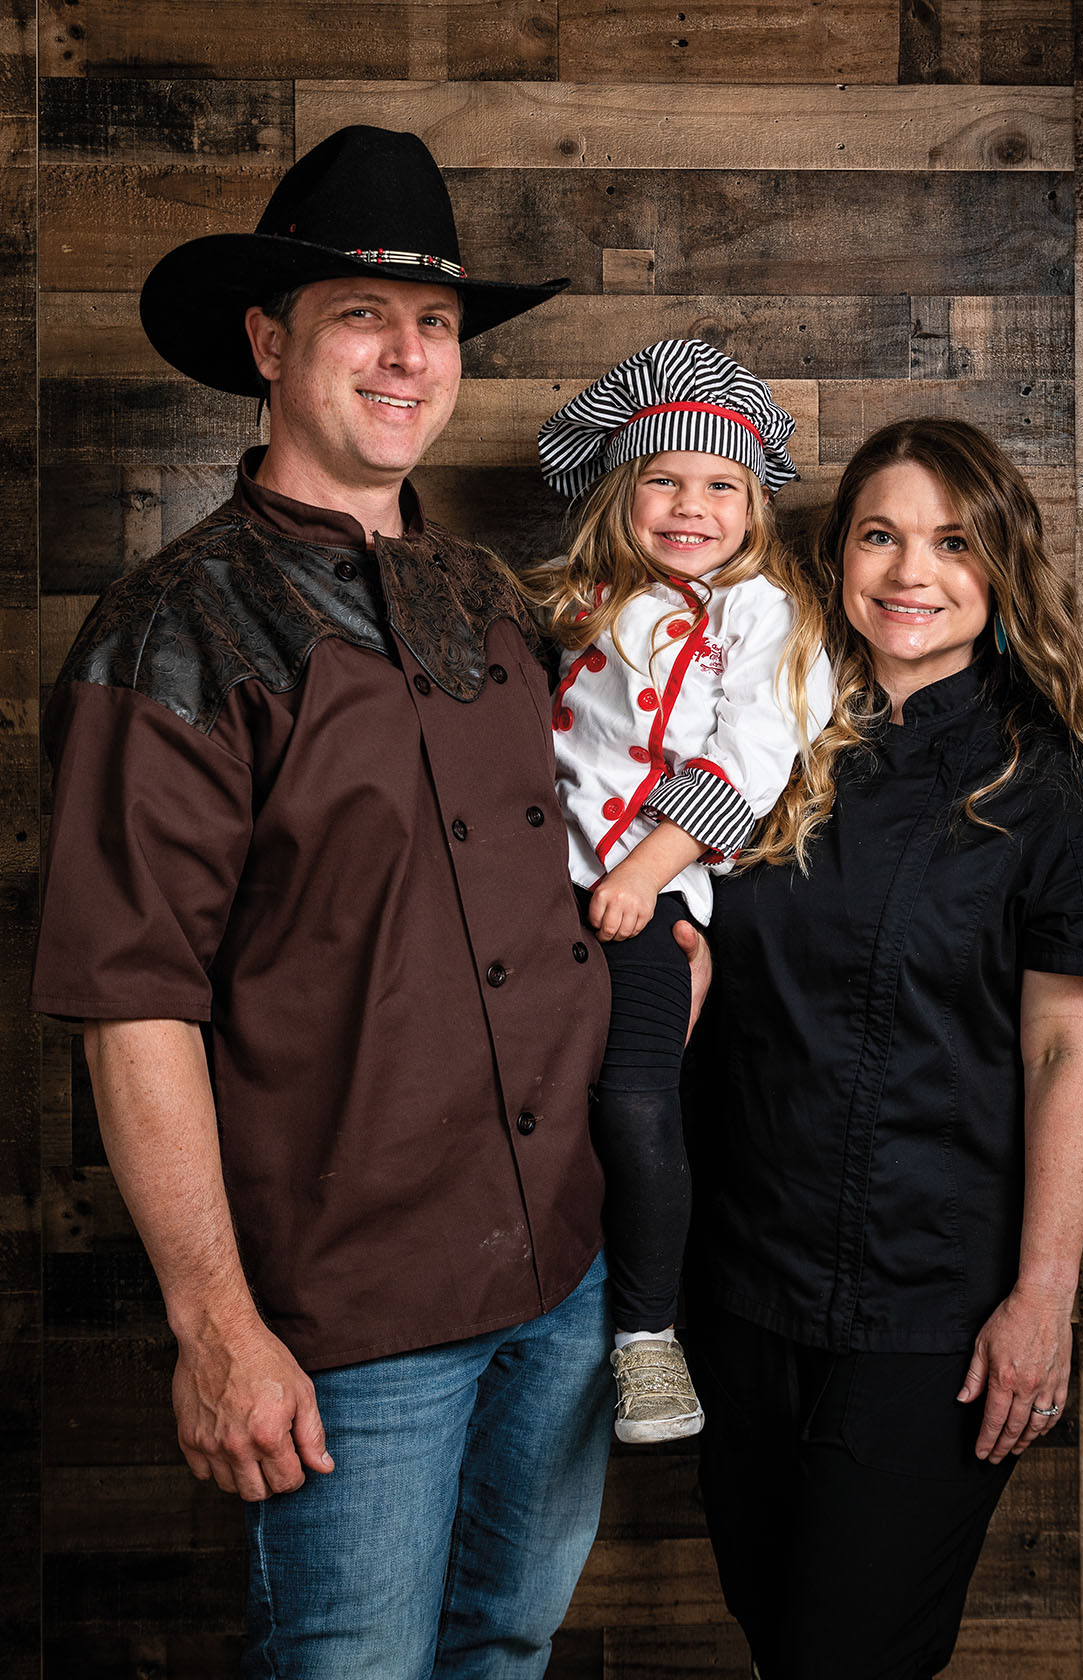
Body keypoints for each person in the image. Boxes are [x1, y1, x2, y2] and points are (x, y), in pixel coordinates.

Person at [31, 125, 707, 1679]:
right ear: (268, 345)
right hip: (351, 1317)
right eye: (362, 317)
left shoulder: (491, 601)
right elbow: (135, 1005)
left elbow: (558, 853)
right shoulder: (169, 632)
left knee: (510, 1650)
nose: (409, 358)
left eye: (438, 327)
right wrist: (214, 1321)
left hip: (564, 1268)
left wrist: (666, 938)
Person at [685, 417, 1083, 1679]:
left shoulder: (1046, 783)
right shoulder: (760, 743)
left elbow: (1070, 1060)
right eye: (881, 536)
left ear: (1000, 567)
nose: (912, 573)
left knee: (845, 1659)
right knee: (773, 1627)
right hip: (739, 1287)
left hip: (931, 1317)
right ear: (838, 556)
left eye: (952, 543)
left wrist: (1044, 1299)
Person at [527, 341, 832, 1443]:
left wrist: (647, 876)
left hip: (642, 899)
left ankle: (649, 1338)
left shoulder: (764, 618)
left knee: (636, 1099)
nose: (691, 504)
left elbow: (752, 756)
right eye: (664, 478)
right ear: (621, 490)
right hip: (532, 889)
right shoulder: (577, 601)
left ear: (755, 505)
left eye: (721, 485)